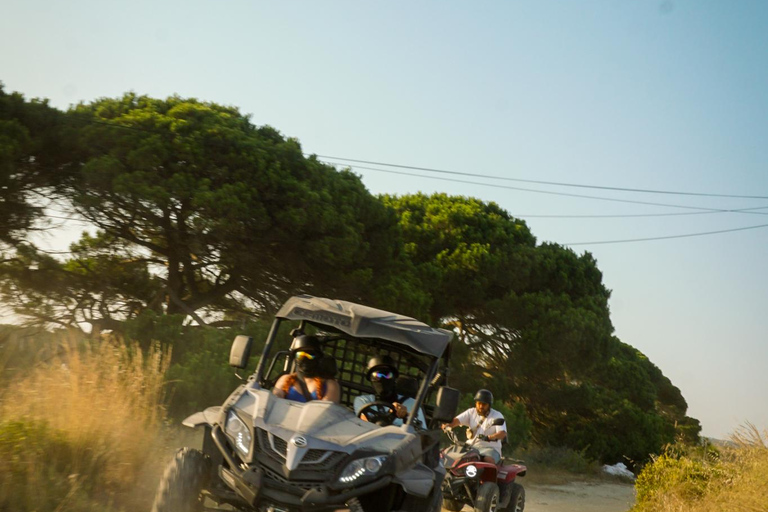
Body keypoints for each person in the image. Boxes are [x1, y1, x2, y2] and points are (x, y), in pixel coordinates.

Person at [353, 355, 426, 428]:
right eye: (377, 376)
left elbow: (423, 433)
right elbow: (363, 421)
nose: (382, 379)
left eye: (388, 375)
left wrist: (407, 417)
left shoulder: (413, 404)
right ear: (371, 380)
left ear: (394, 379)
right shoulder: (363, 401)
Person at [443, 389, 506, 464]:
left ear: (489, 405)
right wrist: (447, 425)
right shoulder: (471, 412)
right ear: (476, 403)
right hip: (471, 447)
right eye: (479, 403)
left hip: (490, 449)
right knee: (448, 455)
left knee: (488, 461)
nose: (481, 406)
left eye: (484, 404)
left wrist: (489, 437)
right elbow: (456, 421)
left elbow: (502, 434)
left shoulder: (497, 415)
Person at [273, 334, 340, 404]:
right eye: (300, 355)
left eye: (310, 355)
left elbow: (326, 410)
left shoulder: (330, 385)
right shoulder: (285, 380)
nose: (305, 359)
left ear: (318, 357)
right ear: (295, 358)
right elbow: (275, 401)